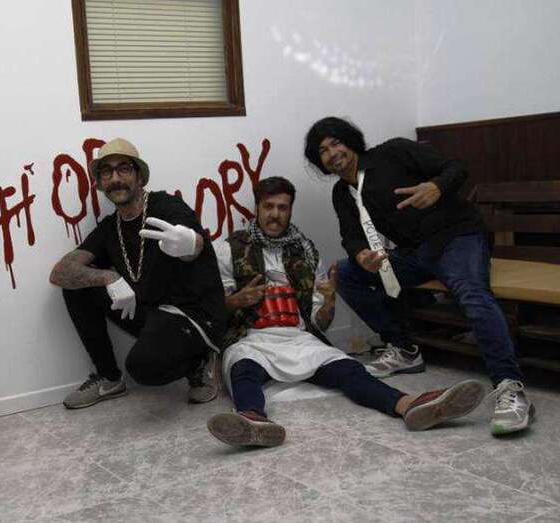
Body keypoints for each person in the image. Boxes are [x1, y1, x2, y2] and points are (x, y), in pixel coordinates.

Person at [206, 177, 487, 448]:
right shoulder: (229, 250)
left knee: (349, 369)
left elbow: (319, 321)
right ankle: (253, 420)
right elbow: (212, 312)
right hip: (252, 339)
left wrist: (329, 302)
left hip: (298, 338)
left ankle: (409, 405)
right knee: (243, 369)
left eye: (283, 207)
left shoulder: (305, 251)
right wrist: (236, 301)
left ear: (290, 210)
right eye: (268, 206)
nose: (275, 214)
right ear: (257, 208)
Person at [304, 116, 534, 435]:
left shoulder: (393, 152)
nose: (332, 153)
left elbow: (456, 167)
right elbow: (351, 235)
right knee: (345, 272)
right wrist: (361, 255)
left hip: (457, 237)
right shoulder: (343, 193)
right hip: (414, 253)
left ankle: (510, 386)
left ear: (350, 141)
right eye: (323, 150)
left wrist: (437, 187)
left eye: (336, 143)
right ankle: (404, 349)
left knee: (471, 292)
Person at [49, 138, 226, 409]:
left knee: (142, 368)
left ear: (139, 177)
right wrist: (109, 277)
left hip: (191, 316)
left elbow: (194, 246)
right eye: (106, 172)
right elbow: (60, 272)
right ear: (100, 183)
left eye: (123, 169)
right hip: (151, 312)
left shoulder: (167, 206)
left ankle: (199, 362)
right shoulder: (110, 228)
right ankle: (109, 378)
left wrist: (190, 244)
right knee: (78, 287)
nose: (115, 178)